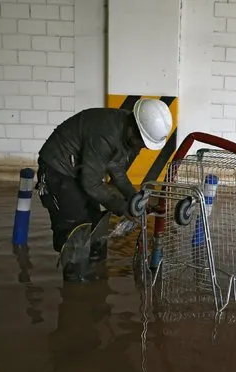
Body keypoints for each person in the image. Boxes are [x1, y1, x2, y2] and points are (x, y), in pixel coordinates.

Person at [35, 99, 173, 279]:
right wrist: (123, 208)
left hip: (79, 168)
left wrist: (134, 198)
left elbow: (117, 170)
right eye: (142, 143)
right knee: (75, 228)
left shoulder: (128, 133)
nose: (142, 147)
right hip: (58, 168)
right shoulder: (105, 135)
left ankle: (95, 282)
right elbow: (91, 184)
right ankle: (74, 288)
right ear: (135, 129)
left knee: (94, 222)